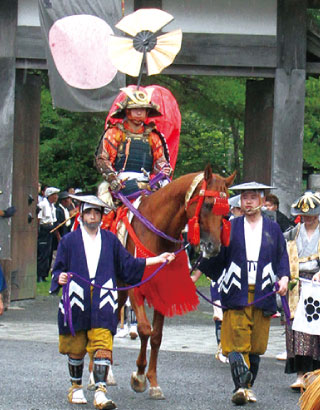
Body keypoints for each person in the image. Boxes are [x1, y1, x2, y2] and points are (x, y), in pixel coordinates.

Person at [50, 195, 175, 409]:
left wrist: (158, 259)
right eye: (89, 212)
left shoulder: (110, 240)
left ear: (101, 216)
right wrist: (59, 277)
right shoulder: (69, 241)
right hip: (76, 299)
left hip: (103, 300)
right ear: (81, 214)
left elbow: (129, 264)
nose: (92, 216)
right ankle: (76, 387)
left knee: (102, 345)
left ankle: (100, 391)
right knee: (76, 347)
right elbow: (59, 268)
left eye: (97, 213)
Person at [198, 181, 290, 405]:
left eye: (252, 197)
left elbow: (282, 256)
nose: (247, 202)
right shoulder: (231, 225)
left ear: (261, 200)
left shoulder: (273, 228)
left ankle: (248, 387)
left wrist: (284, 277)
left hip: (263, 290)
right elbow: (217, 255)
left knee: (257, 345)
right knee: (238, 341)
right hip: (236, 289)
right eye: (244, 197)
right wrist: (197, 270)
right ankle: (240, 387)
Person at [95, 87, 172, 198]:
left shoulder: (153, 136)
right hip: (119, 183)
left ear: (147, 112)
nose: (139, 112)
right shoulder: (114, 133)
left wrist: (163, 169)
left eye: (143, 109)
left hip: (147, 184)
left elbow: (159, 161)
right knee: (106, 210)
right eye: (135, 108)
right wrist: (112, 178)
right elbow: (102, 159)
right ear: (127, 110)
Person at [284, 191, 320, 390]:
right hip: (295, 285)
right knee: (295, 331)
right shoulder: (292, 233)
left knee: (314, 332)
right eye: (305, 214)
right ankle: (300, 374)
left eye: (312, 214)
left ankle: (315, 374)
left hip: (316, 285)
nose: (308, 218)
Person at [37, 187, 60, 282]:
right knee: (43, 253)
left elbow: (53, 221)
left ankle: (45, 274)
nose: (56, 197)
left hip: (51, 229)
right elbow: (38, 219)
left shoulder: (53, 207)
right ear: (50, 195)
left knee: (49, 253)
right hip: (43, 229)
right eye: (54, 195)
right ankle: (39, 275)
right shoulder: (42, 205)